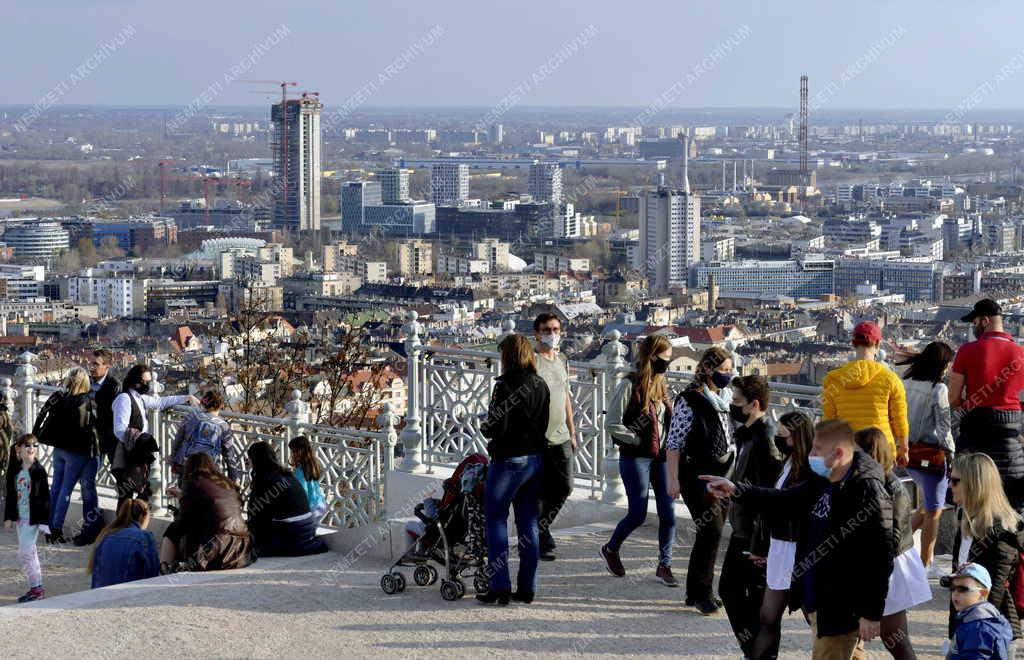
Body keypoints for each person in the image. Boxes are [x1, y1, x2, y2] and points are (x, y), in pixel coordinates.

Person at [702, 420, 894, 660]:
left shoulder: (866, 489)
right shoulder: (828, 478)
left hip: (840, 607)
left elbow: (881, 556)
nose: (810, 455)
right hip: (820, 598)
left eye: (817, 450)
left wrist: (871, 613)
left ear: (840, 453)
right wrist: (736, 490)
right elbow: (786, 499)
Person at [478, 333, 549, 605]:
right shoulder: (541, 385)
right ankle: (527, 588)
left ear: (507, 356)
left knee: (495, 520)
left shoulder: (504, 386)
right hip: (535, 460)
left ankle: (500, 586)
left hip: (508, 460)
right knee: (528, 523)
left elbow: (495, 426)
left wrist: (486, 426)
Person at [665, 346, 736, 615]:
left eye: (730, 370)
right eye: (724, 370)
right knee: (711, 530)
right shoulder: (689, 400)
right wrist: (673, 479)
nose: (728, 375)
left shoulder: (726, 398)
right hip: (697, 474)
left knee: (712, 532)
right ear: (707, 369)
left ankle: (695, 590)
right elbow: (674, 442)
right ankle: (702, 592)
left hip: (724, 473)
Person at [601, 335, 676, 585]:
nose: (668, 363)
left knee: (669, 513)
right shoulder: (629, 384)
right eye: (665, 358)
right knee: (638, 514)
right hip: (636, 458)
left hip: (662, 457)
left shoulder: (661, 384)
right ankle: (611, 548)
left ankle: (664, 565)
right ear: (652, 357)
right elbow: (611, 422)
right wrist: (636, 440)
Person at [718, 375, 784, 658]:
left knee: (748, 596)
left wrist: (763, 544)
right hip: (744, 527)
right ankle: (755, 651)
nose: (731, 406)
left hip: (756, 533)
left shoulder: (765, 438)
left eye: (736, 402)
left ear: (754, 404)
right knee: (733, 591)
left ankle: (759, 653)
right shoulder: (749, 433)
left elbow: (769, 493)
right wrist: (731, 491)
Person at [854, 427, 929, 660]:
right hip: (875, 563)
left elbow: (889, 541)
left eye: (856, 452)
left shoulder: (893, 489)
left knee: (894, 637)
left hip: (891, 568)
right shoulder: (866, 482)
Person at [949, 298, 1024, 511]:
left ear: (985, 320)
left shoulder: (967, 351)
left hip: (976, 436)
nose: (974, 328)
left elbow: (954, 397)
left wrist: (970, 409)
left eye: (974, 323)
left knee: (972, 502)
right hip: (1010, 439)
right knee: (1011, 505)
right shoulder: (1021, 354)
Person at [752, 411, 815, 660]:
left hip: (800, 550)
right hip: (780, 547)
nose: (776, 438)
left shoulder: (811, 468)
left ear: (797, 437)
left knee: (816, 619)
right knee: (768, 617)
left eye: (782, 435)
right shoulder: (788, 462)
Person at [948, 453, 1024, 641]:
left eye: (955, 481)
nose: (950, 485)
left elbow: (995, 593)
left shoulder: (1003, 532)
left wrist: (969, 635)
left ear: (974, 485)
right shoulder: (964, 520)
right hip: (967, 625)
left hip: (990, 632)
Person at [897, 341, 955, 575]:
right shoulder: (938, 389)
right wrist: (952, 454)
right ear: (942, 364)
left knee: (925, 506)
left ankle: (896, 545)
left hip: (909, 454)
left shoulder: (906, 383)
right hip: (931, 456)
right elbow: (944, 428)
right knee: (934, 511)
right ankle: (925, 563)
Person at [821, 320, 910, 465]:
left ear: (853, 344)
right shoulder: (890, 378)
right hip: (880, 450)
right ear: (877, 344)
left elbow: (829, 422)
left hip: (848, 452)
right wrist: (904, 449)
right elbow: (900, 419)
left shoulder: (833, 380)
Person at [112, 364, 198, 509]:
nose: (147, 385)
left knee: (138, 490)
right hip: (129, 453)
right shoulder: (124, 399)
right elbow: (119, 429)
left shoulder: (139, 398)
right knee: (127, 493)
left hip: (138, 452)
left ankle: (129, 525)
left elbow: (161, 402)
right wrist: (140, 439)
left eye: (149, 382)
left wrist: (187, 397)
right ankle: (122, 527)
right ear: (135, 381)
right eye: (144, 382)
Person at [35, 367, 101, 545]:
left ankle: (48, 526)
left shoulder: (58, 396)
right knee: (66, 490)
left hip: (58, 449)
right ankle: (56, 528)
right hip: (76, 451)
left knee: (56, 487)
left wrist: (35, 434)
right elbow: (89, 427)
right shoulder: (86, 400)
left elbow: (41, 414)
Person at [161, 452, 255, 573]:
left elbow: (184, 519)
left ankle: (163, 569)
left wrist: (183, 498)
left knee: (173, 529)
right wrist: (182, 496)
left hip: (214, 552)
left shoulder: (194, 482)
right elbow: (216, 506)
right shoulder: (226, 482)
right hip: (241, 548)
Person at [532, 312, 576, 562]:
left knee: (565, 486)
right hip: (539, 438)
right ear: (537, 333)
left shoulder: (561, 359)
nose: (552, 334)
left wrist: (573, 429)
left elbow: (565, 396)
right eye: (547, 330)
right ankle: (539, 537)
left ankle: (541, 526)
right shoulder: (532, 361)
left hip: (561, 435)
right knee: (540, 490)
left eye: (556, 329)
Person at [246, 441, 328, 557]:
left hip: (292, 534)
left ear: (255, 460)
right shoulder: (286, 475)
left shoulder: (265, 480)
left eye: (249, 459)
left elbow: (255, 515)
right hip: (308, 531)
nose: (248, 462)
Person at [76, 348, 120, 546]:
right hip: (89, 442)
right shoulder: (87, 383)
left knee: (122, 484)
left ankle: (122, 528)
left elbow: (108, 414)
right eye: (90, 363)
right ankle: (91, 526)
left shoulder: (113, 386)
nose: (91, 367)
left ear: (107, 366)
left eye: (96, 364)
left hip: (109, 442)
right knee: (86, 483)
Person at [3, 434, 51, 602]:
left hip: (33, 518)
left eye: (35, 445)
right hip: (20, 518)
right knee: (30, 552)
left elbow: (45, 498)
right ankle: (36, 588)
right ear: (19, 449)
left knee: (25, 552)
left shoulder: (39, 471)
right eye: (28, 445)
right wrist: (8, 516)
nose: (32, 448)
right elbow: (10, 495)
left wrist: (45, 523)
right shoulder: (16, 470)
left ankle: (37, 588)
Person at [169, 389, 239, 486]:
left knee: (186, 496)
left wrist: (174, 462)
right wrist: (234, 477)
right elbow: (229, 454)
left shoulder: (191, 417)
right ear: (221, 405)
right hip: (210, 469)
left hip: (187, 466)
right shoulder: (223, 426)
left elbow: (178, 440)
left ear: (203, 403)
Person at [947, 563, 1014, 660]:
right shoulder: (978, 619)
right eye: (952, 588)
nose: (955, 593)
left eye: (963, 589)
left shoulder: (979, 628)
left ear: (983, 593)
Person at [88, 499, 159, 588]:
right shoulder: (144, 537)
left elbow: (96, 577)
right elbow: (152, 575)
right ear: (141, 517)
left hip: (101, 594)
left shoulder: (105, 535)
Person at [289, 435, 327, 519]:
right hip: (320, 505)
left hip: (310, 509)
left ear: (298, 452)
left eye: (292, 451)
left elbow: (301, 492)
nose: (291, 454)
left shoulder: (300, 471)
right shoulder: (313, 465)